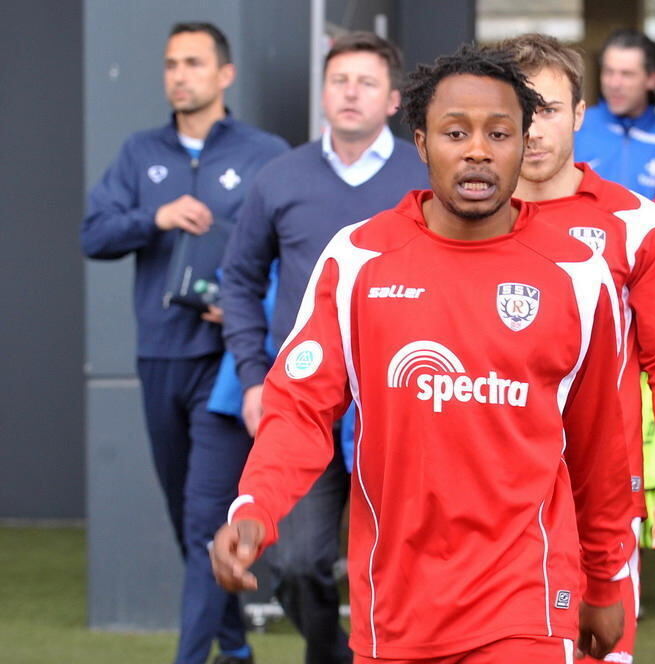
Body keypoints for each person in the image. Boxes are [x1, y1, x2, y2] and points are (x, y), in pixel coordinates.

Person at [211, 44, 634, 663]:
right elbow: (299, 407)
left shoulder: (576, 273)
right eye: (455, 132)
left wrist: (603, 577)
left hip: (528, 599)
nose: (478, 151)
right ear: (420, 142)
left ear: (523, 146)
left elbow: (597, 444)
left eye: (500, 133)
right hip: (398, 606)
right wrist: (256, 507)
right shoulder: (357, 260)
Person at [81, 22, 288, 664]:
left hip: (228, 363)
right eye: (171, 63)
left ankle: (194, 654)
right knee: (184, 516)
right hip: (159, 356)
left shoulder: (265, 152)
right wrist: (156, 217)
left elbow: (294, 254)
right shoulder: (140, 152)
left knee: (204, 519)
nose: (179, 75)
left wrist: (249, 309)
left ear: (225, 75)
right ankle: (234, 642)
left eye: (194, 63)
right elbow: (94, 234)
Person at [220, 32, 427, 664]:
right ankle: (328, 652)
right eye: (339, 80)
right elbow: (240, 277)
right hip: (308, 400)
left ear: (393, 100)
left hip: (401, 401)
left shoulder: (422, 177)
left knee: (403, 561)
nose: (350, 93)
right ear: (323, 94)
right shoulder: (280, 177)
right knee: (301, 561)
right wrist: (255, 377)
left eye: (366, 82)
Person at [499, 33, 655, 664]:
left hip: (603, 495)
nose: (532, 130)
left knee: (599, 652)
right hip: (493, 489)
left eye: (550, 110)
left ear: (581, 115)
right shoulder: (463, 221)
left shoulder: (636, 222)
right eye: (518, 112)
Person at [574, 29, 655, 199]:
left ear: (652, 79)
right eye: (608, 72)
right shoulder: (575, 127)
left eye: (626, 74)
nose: (614, 83)